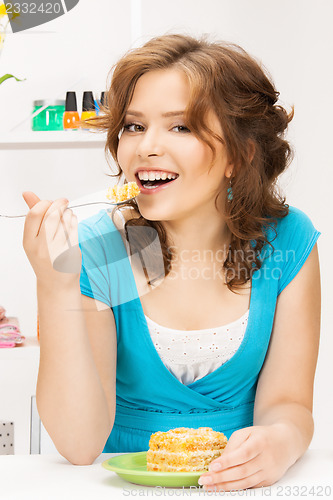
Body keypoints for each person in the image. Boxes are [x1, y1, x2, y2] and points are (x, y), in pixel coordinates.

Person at [22, 34, 321, 491]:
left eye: (180, 127)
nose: (145, 148)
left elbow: (288, 403)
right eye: (134, 126)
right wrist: (55, 285)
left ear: (239, 154)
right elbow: (80, 444)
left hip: (246, 487)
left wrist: (278, 443)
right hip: (120, 486)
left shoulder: (285, 240)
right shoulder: (104, 248)